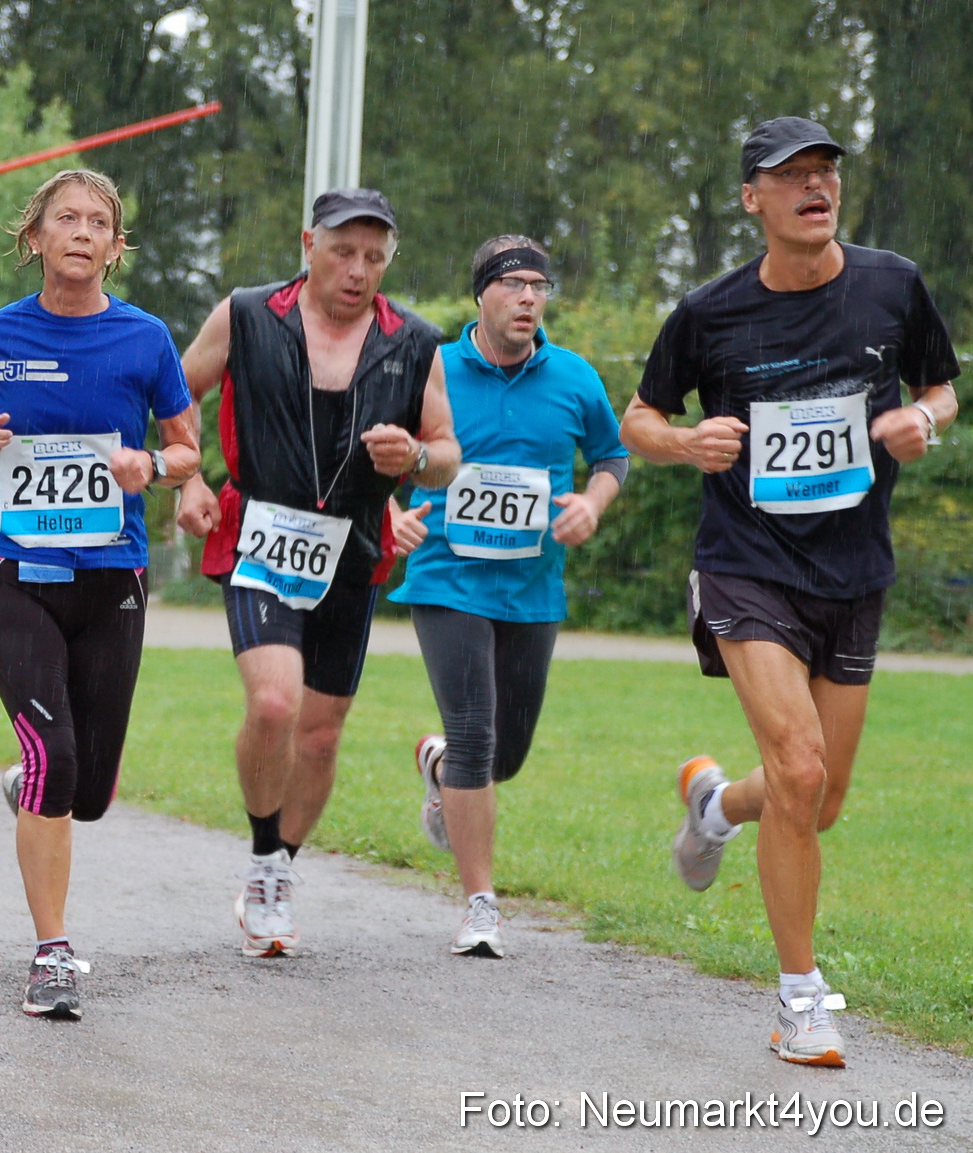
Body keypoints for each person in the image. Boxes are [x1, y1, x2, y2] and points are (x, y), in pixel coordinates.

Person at [621, 117, 959, 1067]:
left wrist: (919, 419)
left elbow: (942, 386)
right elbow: (639, 416)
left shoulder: (891, 284)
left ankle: (717, 808)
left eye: (825, 173)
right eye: (792, 176)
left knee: (823, 796)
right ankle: (801, 1000)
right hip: (746, 561)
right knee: (802, 771)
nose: (816, 187)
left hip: (854, 568)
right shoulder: (710, 312)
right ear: (752, 199)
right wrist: (685, 443)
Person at [0, 168, 199, 1019]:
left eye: (98, 223)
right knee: (55, 760)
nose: (81, 232)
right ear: (35, 236)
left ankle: (36, 784)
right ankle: (51, 952)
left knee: (90, 790)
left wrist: (150, 465)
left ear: (116, 247)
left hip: (113, 578)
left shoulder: (147, 339)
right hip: (16, 574)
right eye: (65, 219)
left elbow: (188, 449)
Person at [176, 189, 458, 958]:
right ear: (309, 243)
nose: (358, 270)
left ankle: (277, 869)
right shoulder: (245, 314)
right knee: (273, 704)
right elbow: (173, 393)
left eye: (374, 256)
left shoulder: (416, 342)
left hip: (353, 551)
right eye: (343, 251)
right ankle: (265, 850)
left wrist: (418, 461)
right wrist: (190, 479)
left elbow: (447, 452)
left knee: (323, 734)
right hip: (260, 536)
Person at [390, 235, 627, 959]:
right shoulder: (431, 369)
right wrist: (388, 514)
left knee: (507, 752)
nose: (529, 297)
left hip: (532, 587)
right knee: (476, 732)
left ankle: (437, 766)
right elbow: (381, 451)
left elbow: (612, 456)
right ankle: (480, 904)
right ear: (482, 295)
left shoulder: (575, 377)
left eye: (539, 285)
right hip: (445, 576)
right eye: (513, 284)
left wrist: (592, 501)